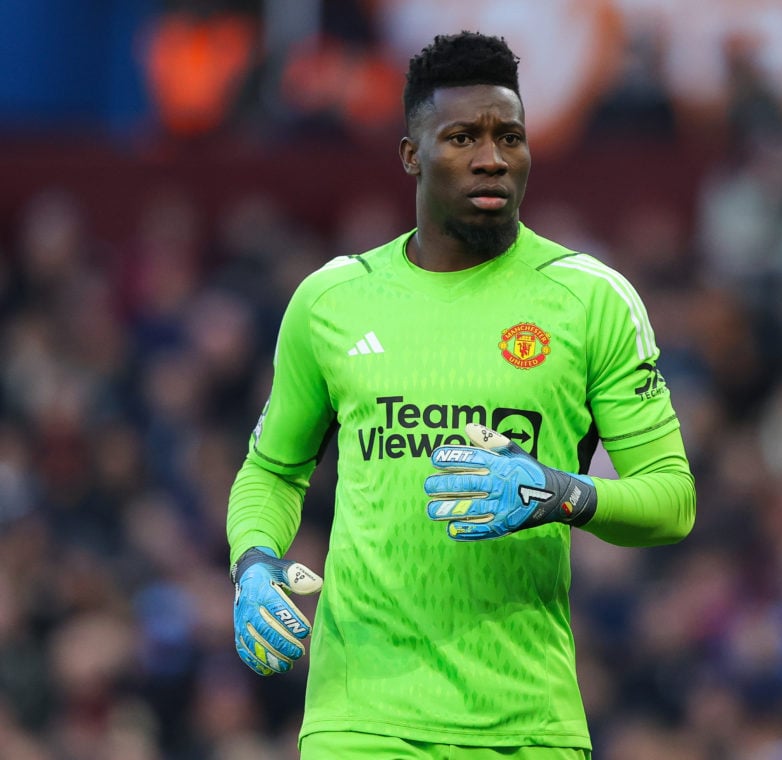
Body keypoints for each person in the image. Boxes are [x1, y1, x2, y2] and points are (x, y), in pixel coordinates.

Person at [226, 30, 696, 759]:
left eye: (510, 136)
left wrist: (562, 493)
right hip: (362, 720)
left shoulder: (591, 301)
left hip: (525, 724)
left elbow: (672, 502)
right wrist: (253, 561)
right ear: (411, 154)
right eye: (462, 137)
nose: (492, 157)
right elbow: (273, 470)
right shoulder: (333, 301)